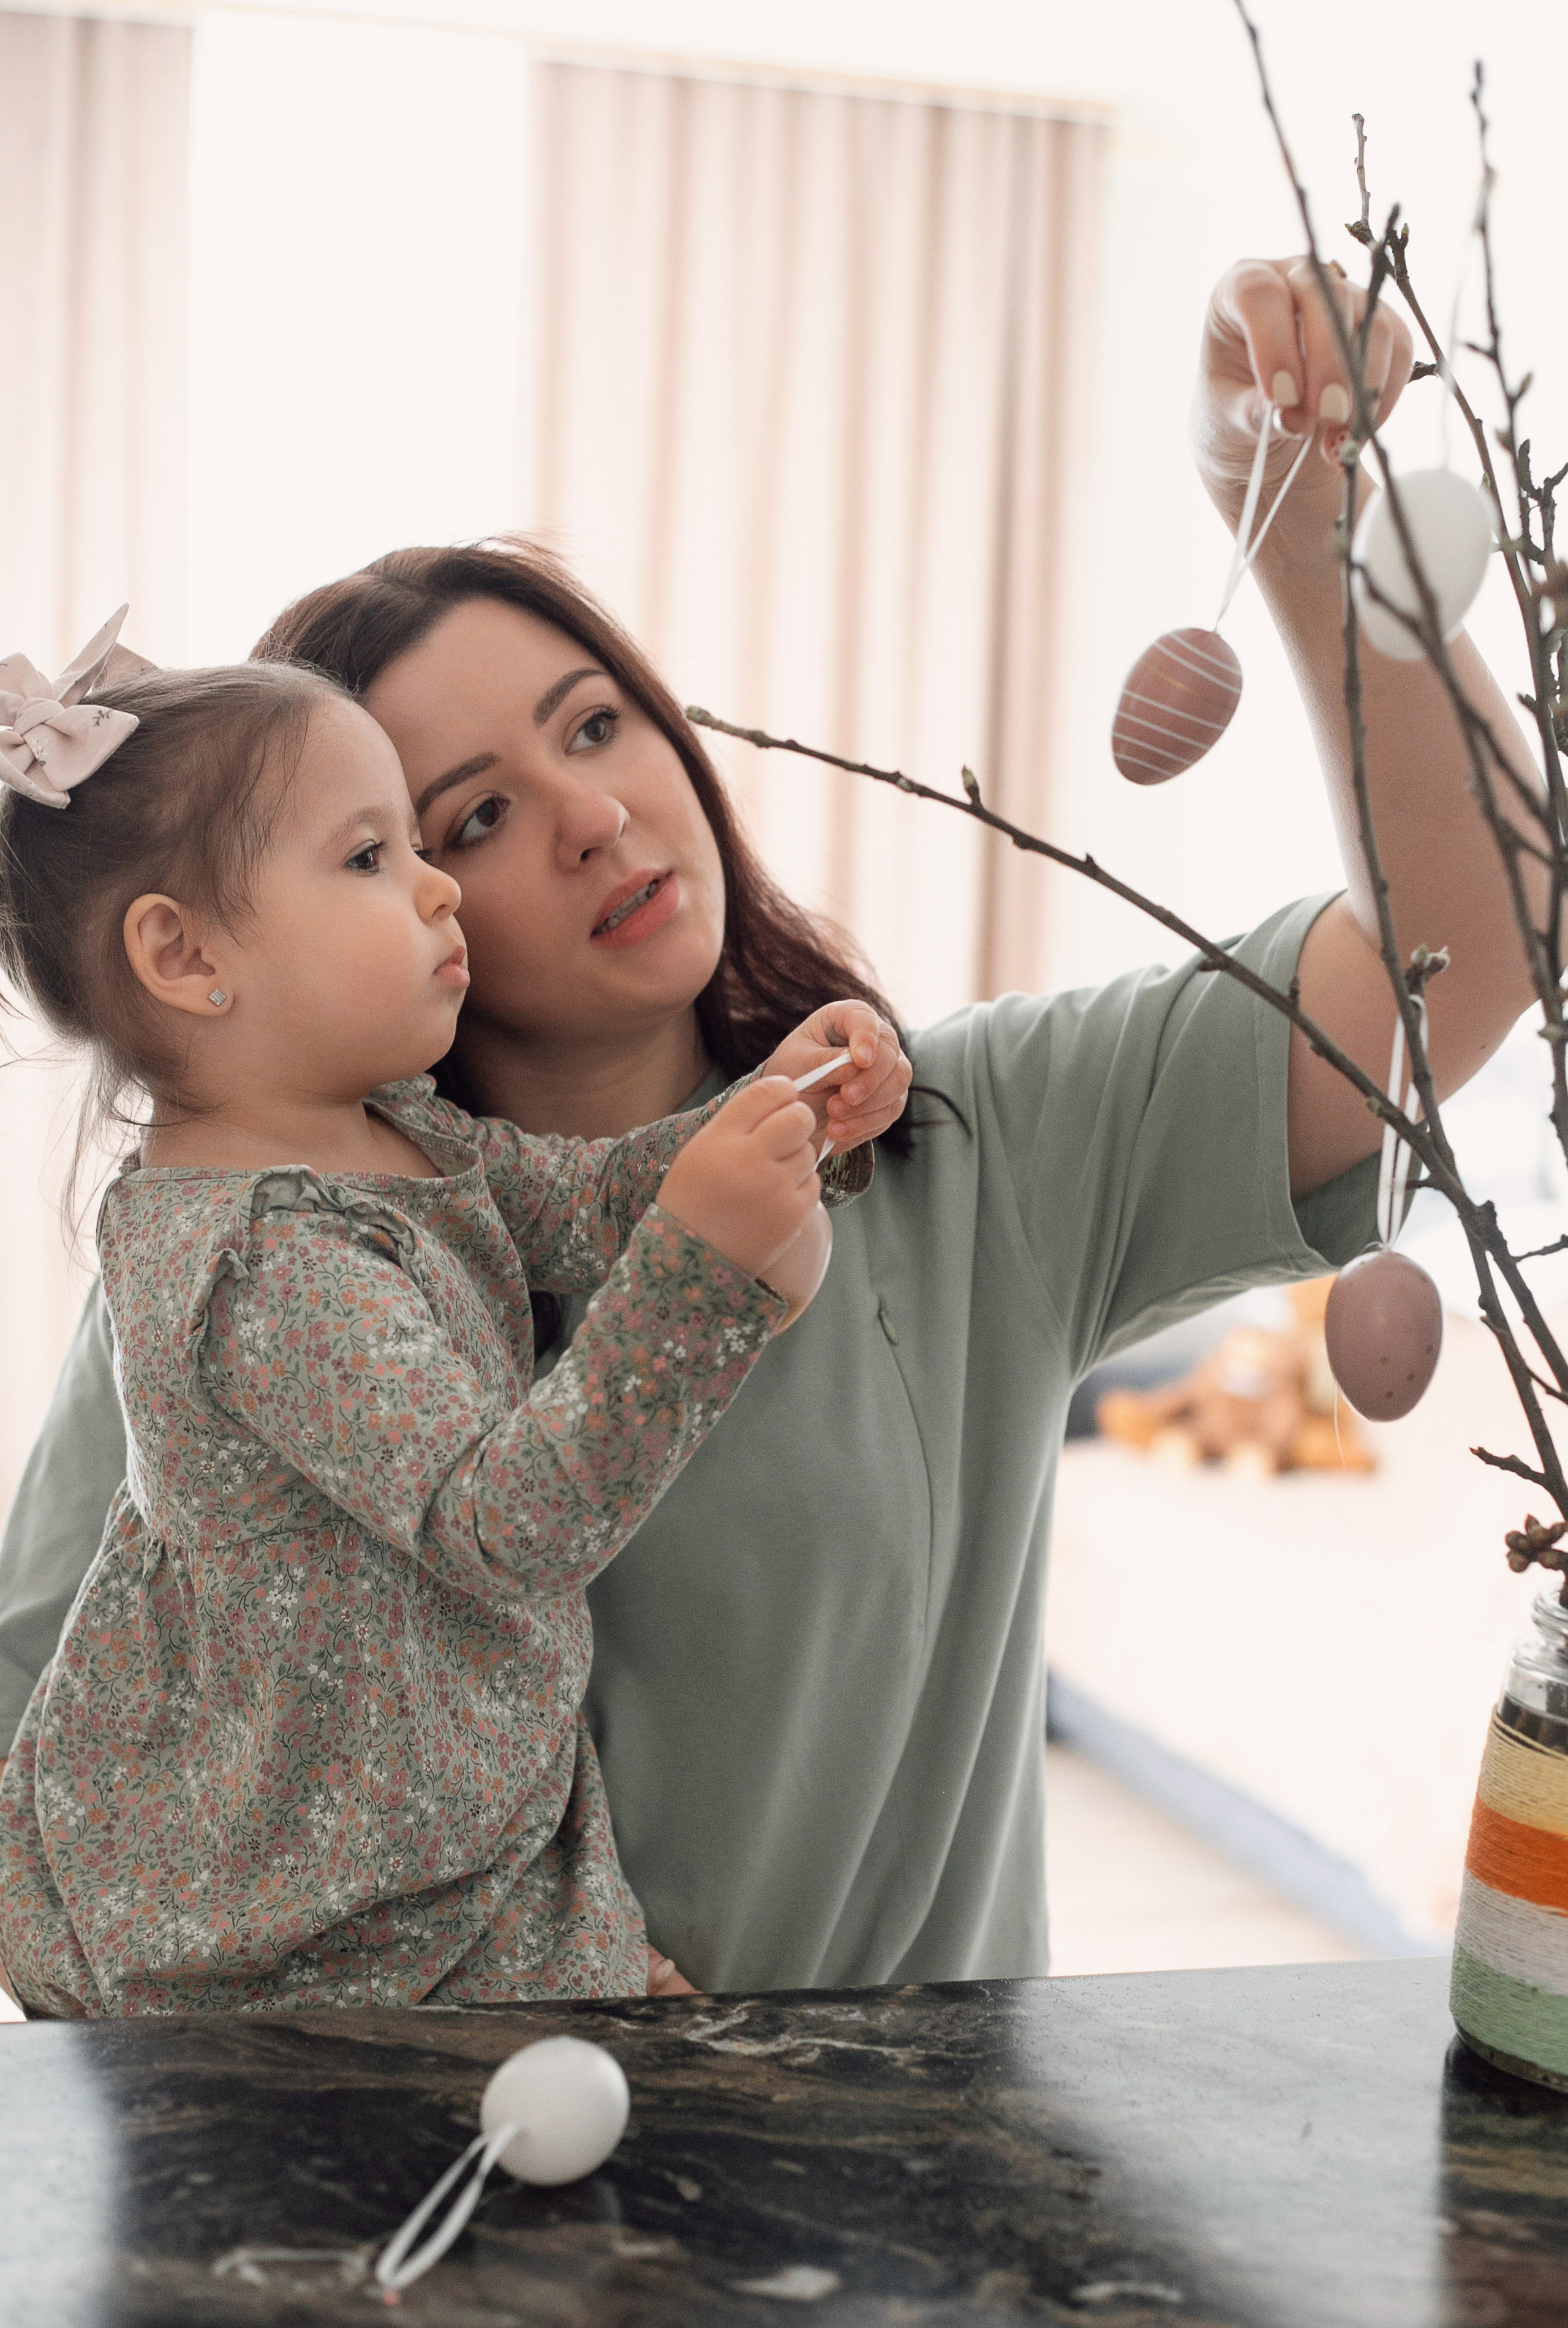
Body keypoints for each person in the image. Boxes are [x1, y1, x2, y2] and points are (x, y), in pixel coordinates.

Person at [0, 257, 1545, 1995]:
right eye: (466, 818)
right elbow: (34, 1814)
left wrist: (1283, 496)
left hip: (897, 2212)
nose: (591, 815)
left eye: (597, 725)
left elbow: (1467, 946)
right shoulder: (264, 1249)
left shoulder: (973, 1146)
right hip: (405, 2215)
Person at [0, 646, 907, 2016]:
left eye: (421, 846)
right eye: (369, 857)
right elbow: (511, 1524)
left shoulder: (395, 1132)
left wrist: (764, 1114)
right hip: (295, 1890)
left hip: (447, 1807)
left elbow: (589, 1197)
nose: (436, 887)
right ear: (185, 956)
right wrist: (700, 1269)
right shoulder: (263, 1261)